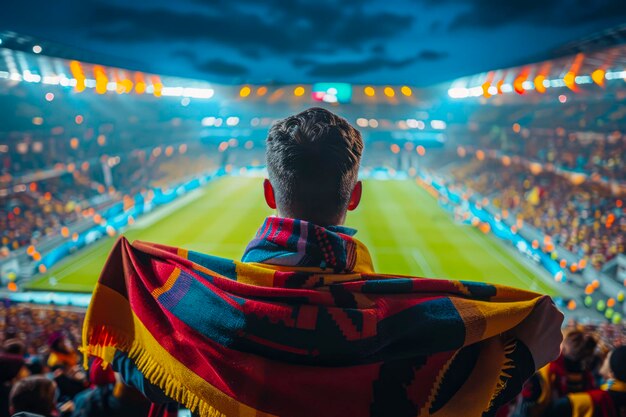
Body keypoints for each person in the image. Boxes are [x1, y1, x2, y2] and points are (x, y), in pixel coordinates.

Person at [83, 107, 564, 417]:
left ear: (269, 193)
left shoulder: (185, 308)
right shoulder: (425, 327)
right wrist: (520, 357)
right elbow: (471, 397)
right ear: (354, 197)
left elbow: (141, 369)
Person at [547, 345, 626, 417]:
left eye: (607, 358)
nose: (604, 360)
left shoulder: (596, 399)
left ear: (611, 373)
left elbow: (557, 408)